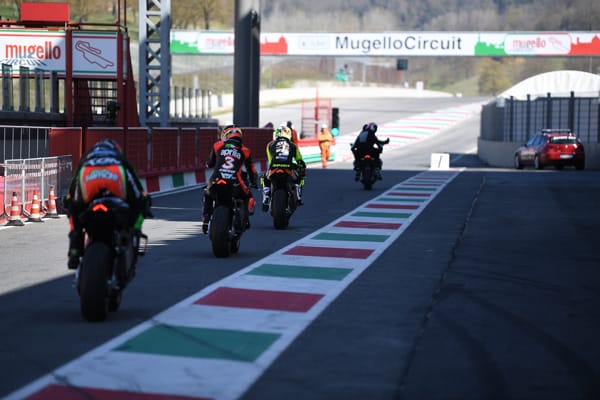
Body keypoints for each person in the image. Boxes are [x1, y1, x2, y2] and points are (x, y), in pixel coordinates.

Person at [64, 139, 152, 270]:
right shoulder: (120, 158)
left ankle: (74, 251)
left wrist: (70, 204)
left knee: (75, 211)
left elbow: (71, 191)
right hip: (115, 177)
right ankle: (132, 235)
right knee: (139, 205)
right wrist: (144, 201)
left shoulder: (86, 159)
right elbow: (137, 186)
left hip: (88, 177)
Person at [202, 124, 258, 234]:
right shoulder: (245, 150)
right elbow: (251, 170)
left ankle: (206, 220)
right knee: (247, 196)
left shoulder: (217, 145)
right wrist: (254, 182)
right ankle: (244, 221)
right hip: (235, 181)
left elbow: (209, 164)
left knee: (207, 193)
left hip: (216, 179)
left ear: (226, 136)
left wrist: (210, 163)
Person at [261, 125, 306, 210]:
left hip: (274, 168)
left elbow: (270, 160)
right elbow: (299, 160)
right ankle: (298, 196)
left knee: (264, 178)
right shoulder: (293, 145)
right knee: (300, 177)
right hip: (288, 168)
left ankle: (266, 196)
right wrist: (302, 169)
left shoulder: (270, 145)